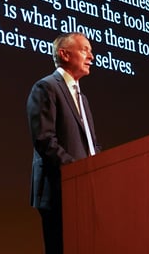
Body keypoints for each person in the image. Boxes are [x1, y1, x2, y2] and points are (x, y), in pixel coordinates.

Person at [26, 32, 101, 254]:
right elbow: (44, 139)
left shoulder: (82, 98)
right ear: (64, 54)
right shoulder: (46, 87)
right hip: (58, 189)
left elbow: (91, 143)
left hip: (85, 189)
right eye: (85, 49)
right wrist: (75, 172)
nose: (92, 56)